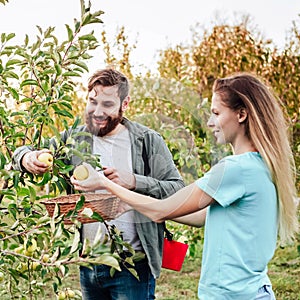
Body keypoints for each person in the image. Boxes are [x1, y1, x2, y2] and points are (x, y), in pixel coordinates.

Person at [71, 72, 299, 299]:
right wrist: (132, 206)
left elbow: (161, 211)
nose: (210, 123)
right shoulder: (261, 165)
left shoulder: (234, 169)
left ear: (241, 114)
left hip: (231, 294)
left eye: (216, 113)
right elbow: (200, 216)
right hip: (252, 291)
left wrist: (102, 182)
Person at [12, 68, 185, 299]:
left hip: (132, 264)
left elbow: (177, 189)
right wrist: (27, 158)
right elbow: (23, 150)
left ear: (125, 104)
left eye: (107, 104)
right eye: (92, 102)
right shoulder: (75, 139)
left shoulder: (147, 141)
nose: (97, 112)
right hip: (89, 262)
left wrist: (134, 181)